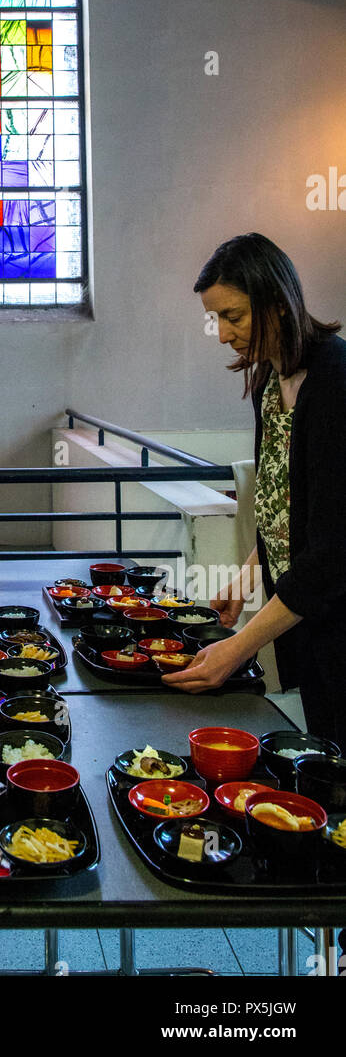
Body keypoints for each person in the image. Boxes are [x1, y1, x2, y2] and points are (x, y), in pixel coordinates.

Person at [163, 234, 346, 749]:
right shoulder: (271, 380)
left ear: (277, 303)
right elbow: (280, 507)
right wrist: (246, 577)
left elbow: (331, 552)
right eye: (215, 318)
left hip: (335, 616)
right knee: (324, 754)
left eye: (234, 316)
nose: (222, 333)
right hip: (308, 622)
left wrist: (239, 647)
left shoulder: (334, 383)